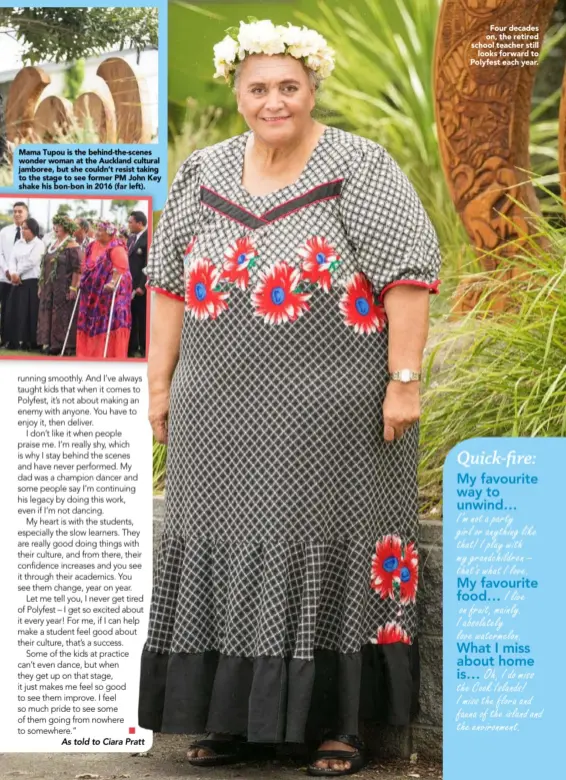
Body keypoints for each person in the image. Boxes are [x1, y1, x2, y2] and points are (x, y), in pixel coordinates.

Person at [138, 19, 441, 778]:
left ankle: (337, 727)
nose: (274, 101)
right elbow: (168, 284)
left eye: (289, 87)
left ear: (312, 90)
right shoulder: (201, 171)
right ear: (235, 92)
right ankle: (234, 721)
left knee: (326, 544)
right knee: (221, 538)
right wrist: (158, 383)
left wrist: (404, 382)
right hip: (217, 405)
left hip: (333, 408)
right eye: (258, 88)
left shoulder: (358, 165)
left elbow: (408, 270)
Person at [76, 221, 132, 358]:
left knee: (109, 323)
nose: (97, 233)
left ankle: (109, 354)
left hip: (109, 294)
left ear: (110, 233)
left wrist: (112, 283)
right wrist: (81, 279)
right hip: (91, 293)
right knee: (89, 323)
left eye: (101, 230)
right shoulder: (92, 246)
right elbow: (85, 264)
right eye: (97, 229)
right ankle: (88, 354)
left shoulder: (116, 248)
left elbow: (121, 269)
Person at [37, 214, 82, 356]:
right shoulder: (52, 244)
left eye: (59, 225)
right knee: (48, 313)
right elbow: (44, 267)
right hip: (49, 287)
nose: (56, 228)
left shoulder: (73, 246)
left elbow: (77, 269)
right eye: (55, 225)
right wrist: (41, 286)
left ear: (67, 227)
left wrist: (73, 287)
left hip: (64, 286)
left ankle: (64, 345)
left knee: (61, 315)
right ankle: (49, 342)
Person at [3, 217, 44, 351]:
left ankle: (30, 342)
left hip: (31, 282)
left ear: (33, 230)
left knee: (30, 313)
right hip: (17, 282)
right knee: (13, 311)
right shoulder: (18, 243)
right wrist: (13, 272)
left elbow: (32, 261)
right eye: (22, 228)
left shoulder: (39, 244)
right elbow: (12, 259)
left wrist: (17, 273)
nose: (23, 231)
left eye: (25, 228)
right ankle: (12, 341)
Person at [0, 201, 28, 347]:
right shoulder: (4, 232)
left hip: (23, 278)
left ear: (26, 214)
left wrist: (18, 273)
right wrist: (7, 270)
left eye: (20, 211)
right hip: (5, 278)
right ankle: (4, 339)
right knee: (5, 308)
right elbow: (1, 253)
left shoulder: (31, 232)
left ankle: (17, 341)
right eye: (15, 211)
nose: (17, 214)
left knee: (18, 309)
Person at [126, 210, 148, 357]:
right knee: (131, 316)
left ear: (139, 224)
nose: (128, 224)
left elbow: (147, 264)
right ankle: (132, 347)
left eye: (130, 222)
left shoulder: (148, 239)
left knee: (142, 317)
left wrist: (142, 285)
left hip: (140, 286)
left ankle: (144, 347)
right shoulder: (131, 239)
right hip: (129, 285)